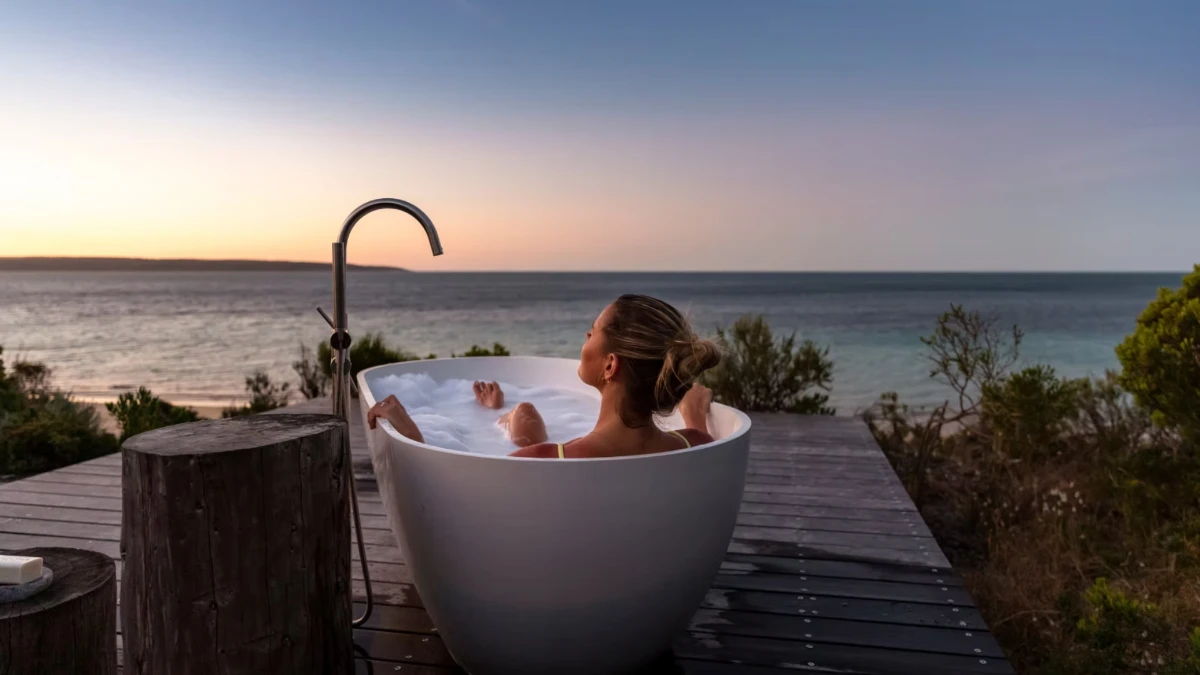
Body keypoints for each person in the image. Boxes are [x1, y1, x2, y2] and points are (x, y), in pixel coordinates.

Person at [366, 294, 722, 458]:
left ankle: (507, 413)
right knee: (522, 411)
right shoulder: (696, 444)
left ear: (610, 366)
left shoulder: (542, 461)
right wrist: (693, 414)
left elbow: (455, 494)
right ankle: (506, 413)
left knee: (524, 412)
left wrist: (411, 436)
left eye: (593, 331)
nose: (586, 336)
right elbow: (702, 446)